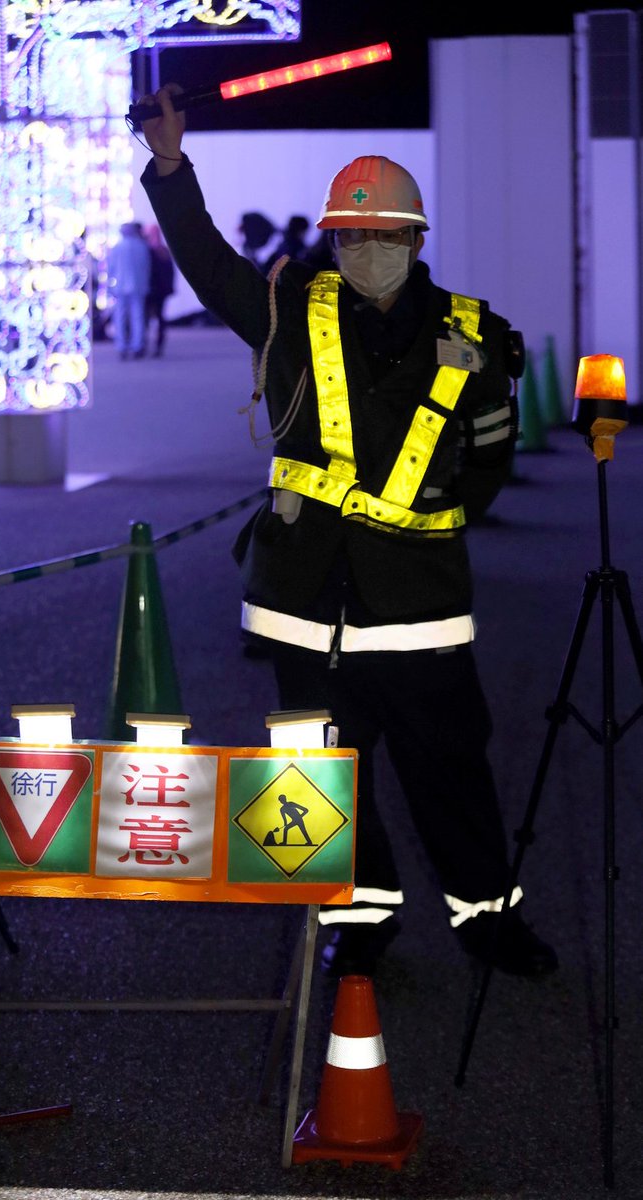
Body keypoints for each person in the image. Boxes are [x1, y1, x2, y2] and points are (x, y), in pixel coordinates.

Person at [139, 84, 559, 980]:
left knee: (450, 767)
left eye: (383, 234)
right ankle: (360, 921)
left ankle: (489, 919)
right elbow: (207, 263)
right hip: (305, 603)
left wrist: (424, 521)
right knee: (323, 776)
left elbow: (489, 461)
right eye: (350, 235)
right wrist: (171, 165)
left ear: (416, 240)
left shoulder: (476, 335)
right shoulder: (288, 309)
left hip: (419, 608)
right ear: (332, 240)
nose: (365, 248)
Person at [107, 221, 151, 360]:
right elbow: (146, 268)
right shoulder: (141, 246)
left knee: (120, 317)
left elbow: (111, 268)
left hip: (121, 287)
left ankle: (121, 346)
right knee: (137, 317)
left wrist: (110, 286)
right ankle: (137, 345)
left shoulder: (117, 247)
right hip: (138, 287)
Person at [144, 223, 175, 357]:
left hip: (151, 290)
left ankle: (144, 344)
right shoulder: (163, 250)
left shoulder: (147, 251)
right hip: (161, 290)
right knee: (159, 317)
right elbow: (170, 272)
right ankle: (157, 344)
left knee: (146, 317)